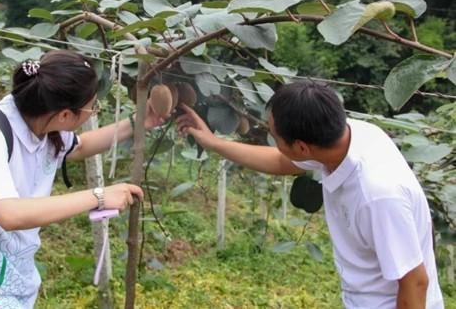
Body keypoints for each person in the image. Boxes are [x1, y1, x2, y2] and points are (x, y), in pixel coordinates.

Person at [0, 50, 164, 308]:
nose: (93, 112)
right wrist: (99, 196)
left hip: (11, 275)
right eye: (92, 107)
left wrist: (139, 121)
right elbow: (9, 214)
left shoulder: (43, 127)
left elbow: (79, 147)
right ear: (64, 115)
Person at [176, 81, 444, 309]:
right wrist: (214, 143)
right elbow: (282, 162)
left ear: (302, 147)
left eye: (275, 136)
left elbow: (415, 282)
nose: (273, 140)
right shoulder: (355, 135)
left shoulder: (377, 196)